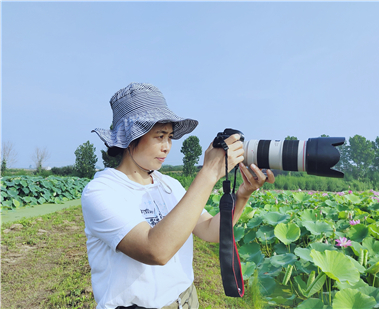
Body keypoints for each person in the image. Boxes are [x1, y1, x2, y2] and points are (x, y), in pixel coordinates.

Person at [81, 82, 275, 309]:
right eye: (159, 136)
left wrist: (242, 194)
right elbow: (156, 250)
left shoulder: (169, 185)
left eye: (170, 137)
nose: (167, 147)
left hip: (186, 300)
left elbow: (210, 230)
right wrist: (210, 172)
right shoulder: (102, 191)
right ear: (130, 139)